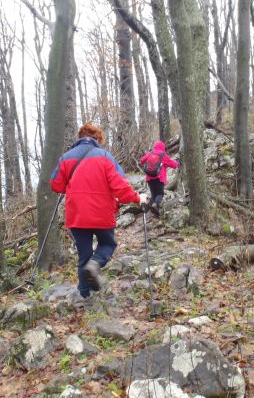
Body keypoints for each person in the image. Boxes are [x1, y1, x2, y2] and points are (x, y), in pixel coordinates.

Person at [50, 122, 148, 302]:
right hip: (102, 213)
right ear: (98, 139)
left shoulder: (66, 158)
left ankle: (84, 296)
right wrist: (137, 198)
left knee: (84, 255)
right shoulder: (105, 157)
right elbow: (120, 187)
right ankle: (95, 265)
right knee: (107, 244)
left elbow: (55, 184)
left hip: (77, 214)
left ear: (80, 138)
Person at [139, 140, 180, 216]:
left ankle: (149, 209)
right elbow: (172, 164)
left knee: (154, 194)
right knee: (160, 193)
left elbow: (141, 161)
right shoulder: (163, 155)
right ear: (162, 147)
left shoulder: (150, 153)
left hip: (149, 178)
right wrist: (178, 164)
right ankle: (155, 205)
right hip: (159, 178)